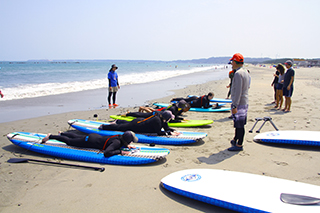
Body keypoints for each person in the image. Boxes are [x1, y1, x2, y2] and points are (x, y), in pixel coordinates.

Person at [41, 131, 138, 157]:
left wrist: (126, 146)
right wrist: (121, 151)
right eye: (131, 141)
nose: (131, 142)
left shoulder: (119, 137)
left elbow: (119, 141)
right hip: (89, 141)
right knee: (70, 141)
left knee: (76, 137)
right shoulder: (116, 142)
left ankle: (62, 133)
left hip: (94, 136)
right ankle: (51, 136)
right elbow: (107, 153)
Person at [228, 53, 250, 151]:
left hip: (239, 102)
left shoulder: (238, 73)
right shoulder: (245, 71)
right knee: (238, 124)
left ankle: (239, 145)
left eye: (232, 61)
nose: (231, 63)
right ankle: (235, 139)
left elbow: (238, 91)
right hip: (244, 101)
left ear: (236, 62)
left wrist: (235, 105)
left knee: (240, 125)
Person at [99, 110, 180, 136]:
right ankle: (103, 126)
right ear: (166, 118)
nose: (170, 119)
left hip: (140, 121)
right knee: (121, 128)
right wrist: (169, 134)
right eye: (170, 118)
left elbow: (166, 128)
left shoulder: (163, 120)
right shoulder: (157, 120)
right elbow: (158, 132)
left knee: (125, 124)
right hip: (137, 125)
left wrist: (173, 130)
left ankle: (118, 121)